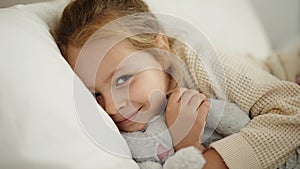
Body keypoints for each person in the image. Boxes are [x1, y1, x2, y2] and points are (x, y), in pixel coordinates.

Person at [53, 0, 300, 168]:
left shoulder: (198, 59)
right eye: (95, 94)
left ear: (160, 51)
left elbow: (293, 111)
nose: (111, 108)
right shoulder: (132, 136)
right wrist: (187, 146)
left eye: (123, 79)